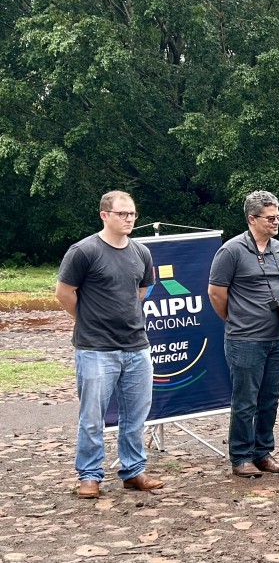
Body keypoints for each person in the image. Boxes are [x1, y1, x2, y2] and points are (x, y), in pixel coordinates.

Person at [55, 190, 165, 498]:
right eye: (122, 214)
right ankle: (89, 476)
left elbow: (142, 291)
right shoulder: (84, 251)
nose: (129, 219)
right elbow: (64, 293)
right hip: (95, 349)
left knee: (136, 415)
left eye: (132, 214)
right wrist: (87, 319)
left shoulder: (141, 252)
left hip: (136, 346)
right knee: (93, 416)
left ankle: (134, 471)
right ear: (105, 215)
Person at [208, 190, 279, 478]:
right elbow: (216, 293)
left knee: (270, 399)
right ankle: (241, 456)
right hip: (245, 339)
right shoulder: (231, 251)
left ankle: (263, 452)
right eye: (270, 218)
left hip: (276, 337)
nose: (276, 222)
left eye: (278, 216)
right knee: (245, 401)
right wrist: (236, 319)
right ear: (252, 219)